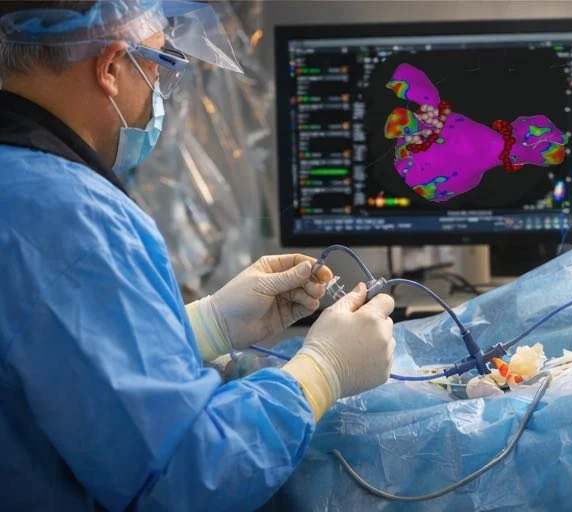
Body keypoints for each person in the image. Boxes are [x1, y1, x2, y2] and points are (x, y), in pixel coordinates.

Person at [0, 1, 396, 510]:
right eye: (161, 65)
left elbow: (50, 372)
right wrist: (322, 371)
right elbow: (186, 476)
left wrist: (205, 326)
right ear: (112, 68)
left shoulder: (21, 187)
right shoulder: (75, 220)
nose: (160, 96)